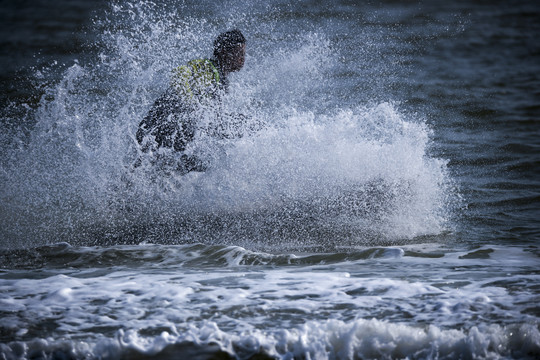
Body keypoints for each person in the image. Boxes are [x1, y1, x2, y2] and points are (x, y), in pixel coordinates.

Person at [136, 29, 247, 174]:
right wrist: (192, 107)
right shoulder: (206, 67)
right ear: (224, 52)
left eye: (244, 54)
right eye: (239, 53)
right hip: (156, 130)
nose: (242, 58)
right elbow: (178, 75)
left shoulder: (222, 80)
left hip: (169, 135)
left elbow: (211, 121)